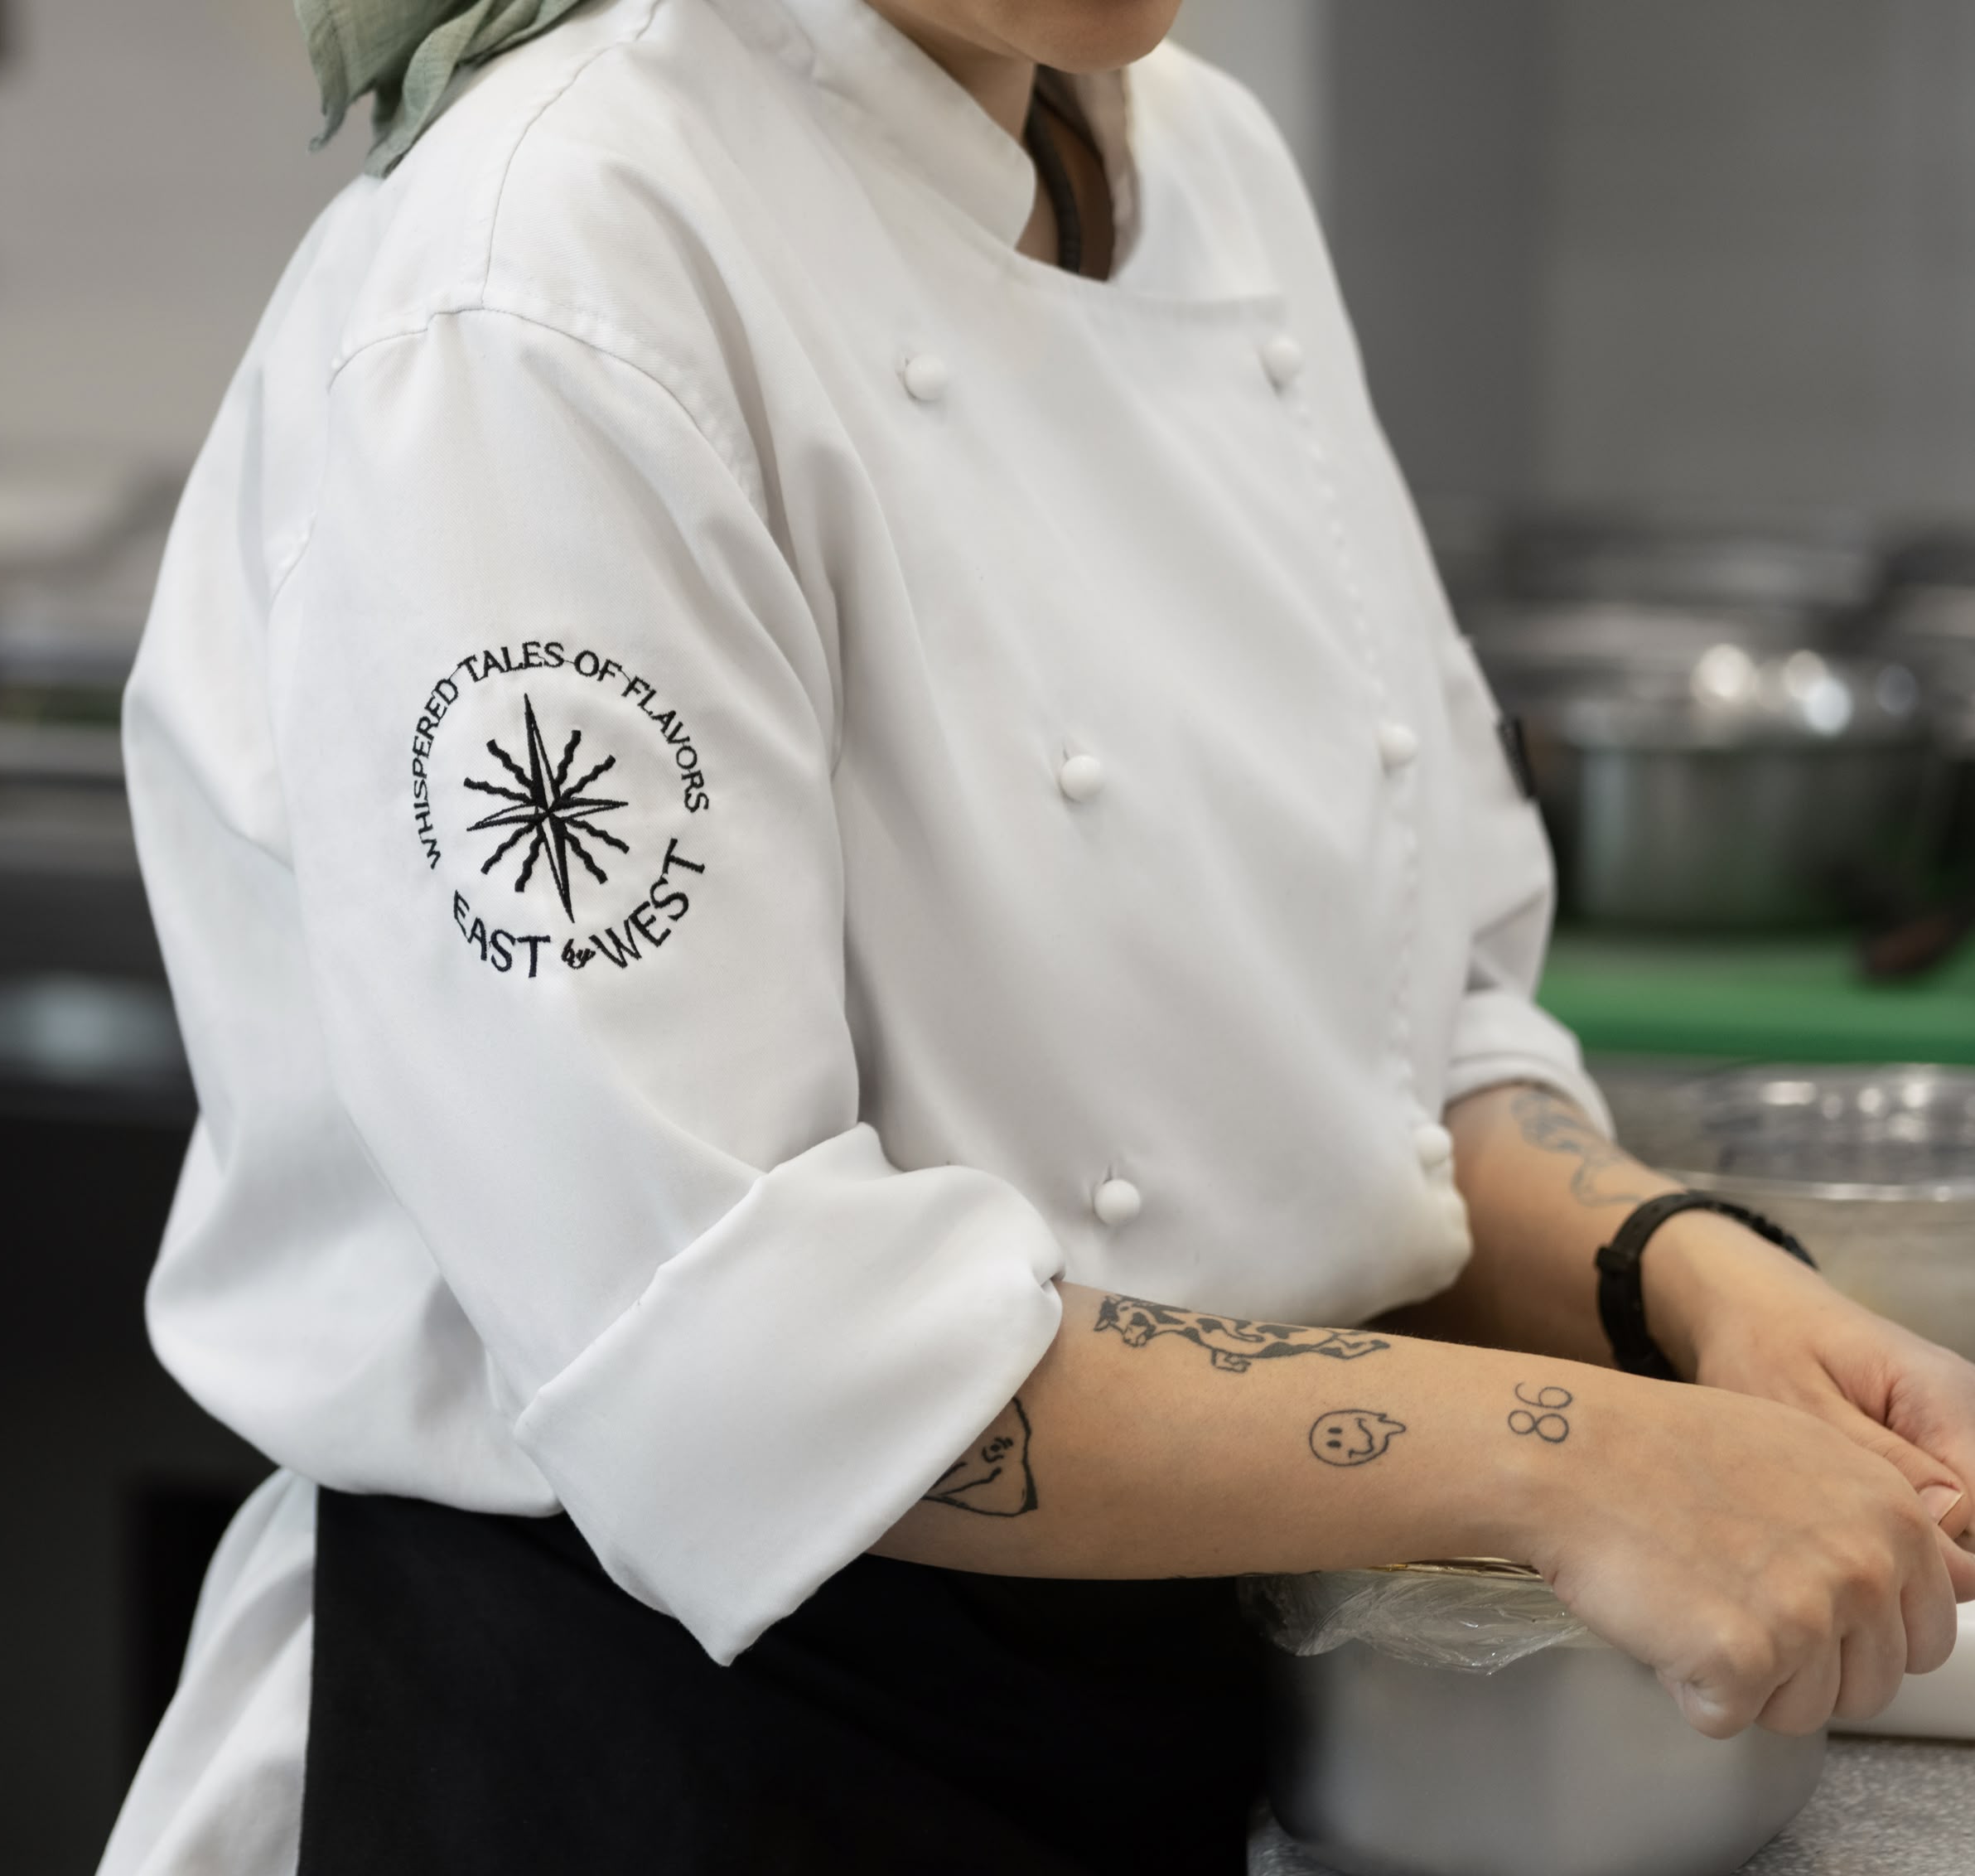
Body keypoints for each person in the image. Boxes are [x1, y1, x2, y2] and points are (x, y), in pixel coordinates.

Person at [100, 1, 1975, 1869]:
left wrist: (1696, 1288)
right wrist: (1571, 1453)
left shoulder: (1204, 160)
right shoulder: (544, 276)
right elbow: (732, 1360)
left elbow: (1415, 1041)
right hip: (656, 1759)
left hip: (1185, 1731)